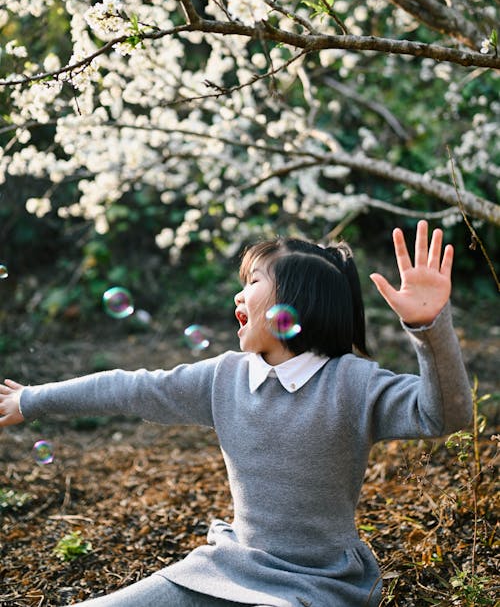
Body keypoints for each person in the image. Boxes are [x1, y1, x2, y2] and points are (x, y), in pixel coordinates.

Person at [0, 220, 472, 607]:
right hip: (231, 566)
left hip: (321, 584)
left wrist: (428, 326)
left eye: (253, 282)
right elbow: (129, 388)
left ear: (296, 301)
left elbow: (443, 415)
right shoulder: (222, 377)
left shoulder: (352, 383)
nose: (238, 297)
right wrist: (31, 399)